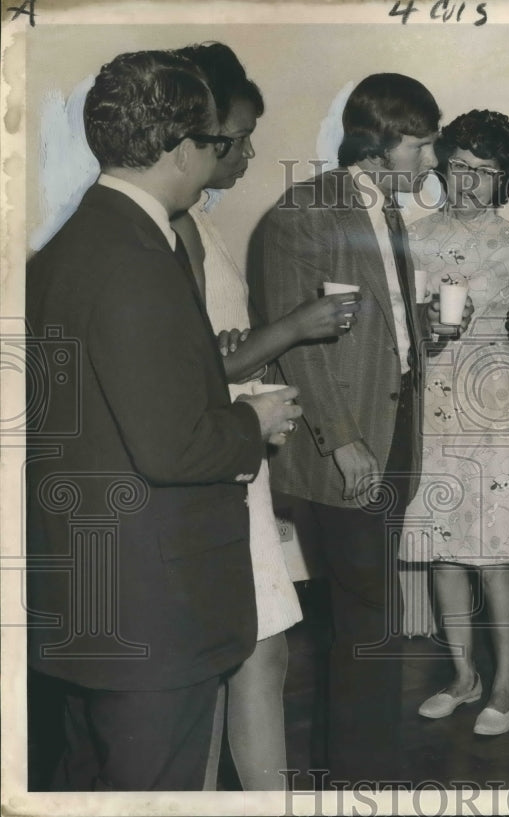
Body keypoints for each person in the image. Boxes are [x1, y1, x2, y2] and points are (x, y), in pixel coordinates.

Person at [25, 50, 300, 791]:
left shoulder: (65, 248)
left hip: (91, 587)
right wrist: (257, 423)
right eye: (216, 142)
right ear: (180, 147)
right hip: (154, 604)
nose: (218, 156)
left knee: (93, 780)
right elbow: (175, 446)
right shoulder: (138, 259)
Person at [247, 73, 470, 781]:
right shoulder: (301, 214)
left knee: (371, 617)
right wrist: (341, 438)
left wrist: (424, 336)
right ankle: (363, 780)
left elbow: (380, 332)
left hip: (395, 429)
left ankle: (359, 771)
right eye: (423, 146)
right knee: (367, 622)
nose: (432, 163)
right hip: (344, 444)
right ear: (378, 142)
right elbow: (294, 342)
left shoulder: (388, 211)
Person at [171, 42, 358, 791]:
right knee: (250, 650)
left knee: (261, 649)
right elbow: (187, 372)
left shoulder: (199, 223)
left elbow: (212, 347)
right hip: (214, 460)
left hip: (237, 458)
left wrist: (247, 349)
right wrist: (293, 328)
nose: (249, 152)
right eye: (238, 138)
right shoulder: (176, 228)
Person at [399, 110, 509, 736]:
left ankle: (508, 685)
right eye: (458, 166)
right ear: (442, 166)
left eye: (484, 173)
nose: (467, 182)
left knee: (495, 555)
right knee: (444, 552)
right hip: (433, 402)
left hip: (495, 406)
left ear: (504, 180)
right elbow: (399, 331)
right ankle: (464, 676)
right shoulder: (413, 235)